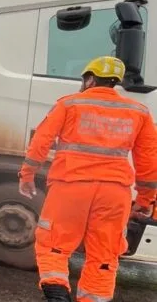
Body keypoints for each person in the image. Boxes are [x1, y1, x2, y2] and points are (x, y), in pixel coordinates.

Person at [18, 56, 157, 302]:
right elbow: (149, 160)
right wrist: (145, 199)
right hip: (115, 193)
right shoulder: (139, 112)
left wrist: (27, 175)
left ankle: (57, 292)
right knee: (105, 254)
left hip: (71, 186)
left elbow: (41, 140)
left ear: (90, 78)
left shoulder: (70, 104)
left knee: (54, 244)